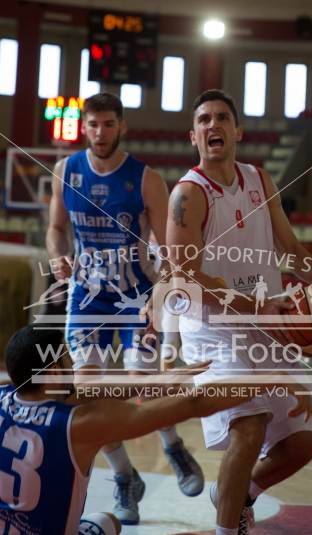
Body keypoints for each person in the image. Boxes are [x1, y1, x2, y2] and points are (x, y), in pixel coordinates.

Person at [166, 89, 312, 535]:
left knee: (304, 440)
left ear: (238, 131)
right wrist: (259, 305)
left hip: (267, 327)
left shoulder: (260, 179)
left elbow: (288, 246)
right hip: (216, 332)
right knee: (249, 429)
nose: (214, 125)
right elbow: (185, 280)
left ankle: (237, 494)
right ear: (194, 136)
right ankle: (227, 529)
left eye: (222, 118)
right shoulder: (188, 195)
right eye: (205, 120)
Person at [45, 92, 203, 525]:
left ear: (122, 126)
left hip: (136, 297)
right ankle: (124, 477)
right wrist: (59, 255)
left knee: (142, 388)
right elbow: (56, 230)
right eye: (93, 124)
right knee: (88, 395)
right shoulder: (65, 170)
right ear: (84, 127)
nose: (100, 132)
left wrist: (162, 300)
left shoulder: (146, 178)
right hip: (88, 297)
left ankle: (173, 447)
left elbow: (169, 252)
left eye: (108, 124)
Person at [0, 325, 308, 535]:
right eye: (68, 358)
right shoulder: (79, 424)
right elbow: (194, 403)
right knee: (106, 523)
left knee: (108, 521)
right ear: (54, 373)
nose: (74, 364)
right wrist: (271, 377)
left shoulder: (5, 395)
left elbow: (84, 389)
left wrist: (155, 382)